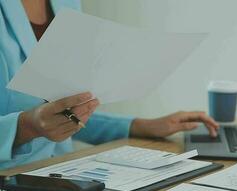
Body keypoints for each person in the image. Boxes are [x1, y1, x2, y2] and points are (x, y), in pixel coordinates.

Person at [0, 0, 219, 170]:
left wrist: (141, 126)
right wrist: (26, 126)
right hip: (9, 179)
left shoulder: (67, 3)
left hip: (59, 171)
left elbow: (63, 115)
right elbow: (41, 121)